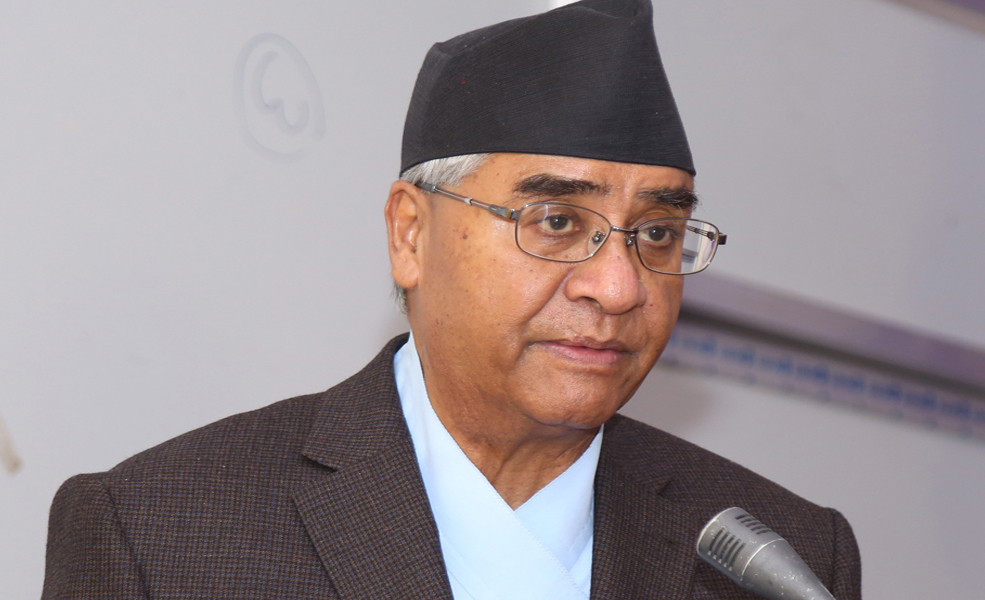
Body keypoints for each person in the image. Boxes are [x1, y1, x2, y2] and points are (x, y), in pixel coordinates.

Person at [43, 1, 862, 599]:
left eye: (655, 233)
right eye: (556, 222)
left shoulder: (780, 559)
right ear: (410, 235)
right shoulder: (161, 536)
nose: (618, 288)